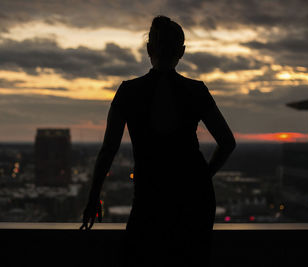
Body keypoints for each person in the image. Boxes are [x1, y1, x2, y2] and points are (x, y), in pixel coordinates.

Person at [80, 15, 236, 267]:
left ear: (149, 49)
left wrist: (93, 196)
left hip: (150, 196)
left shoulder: (129, 92)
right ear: (182, 52)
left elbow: (108, 149)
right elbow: (227, 142)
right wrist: (204, 176)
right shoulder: (196, 91)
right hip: (194, 197)